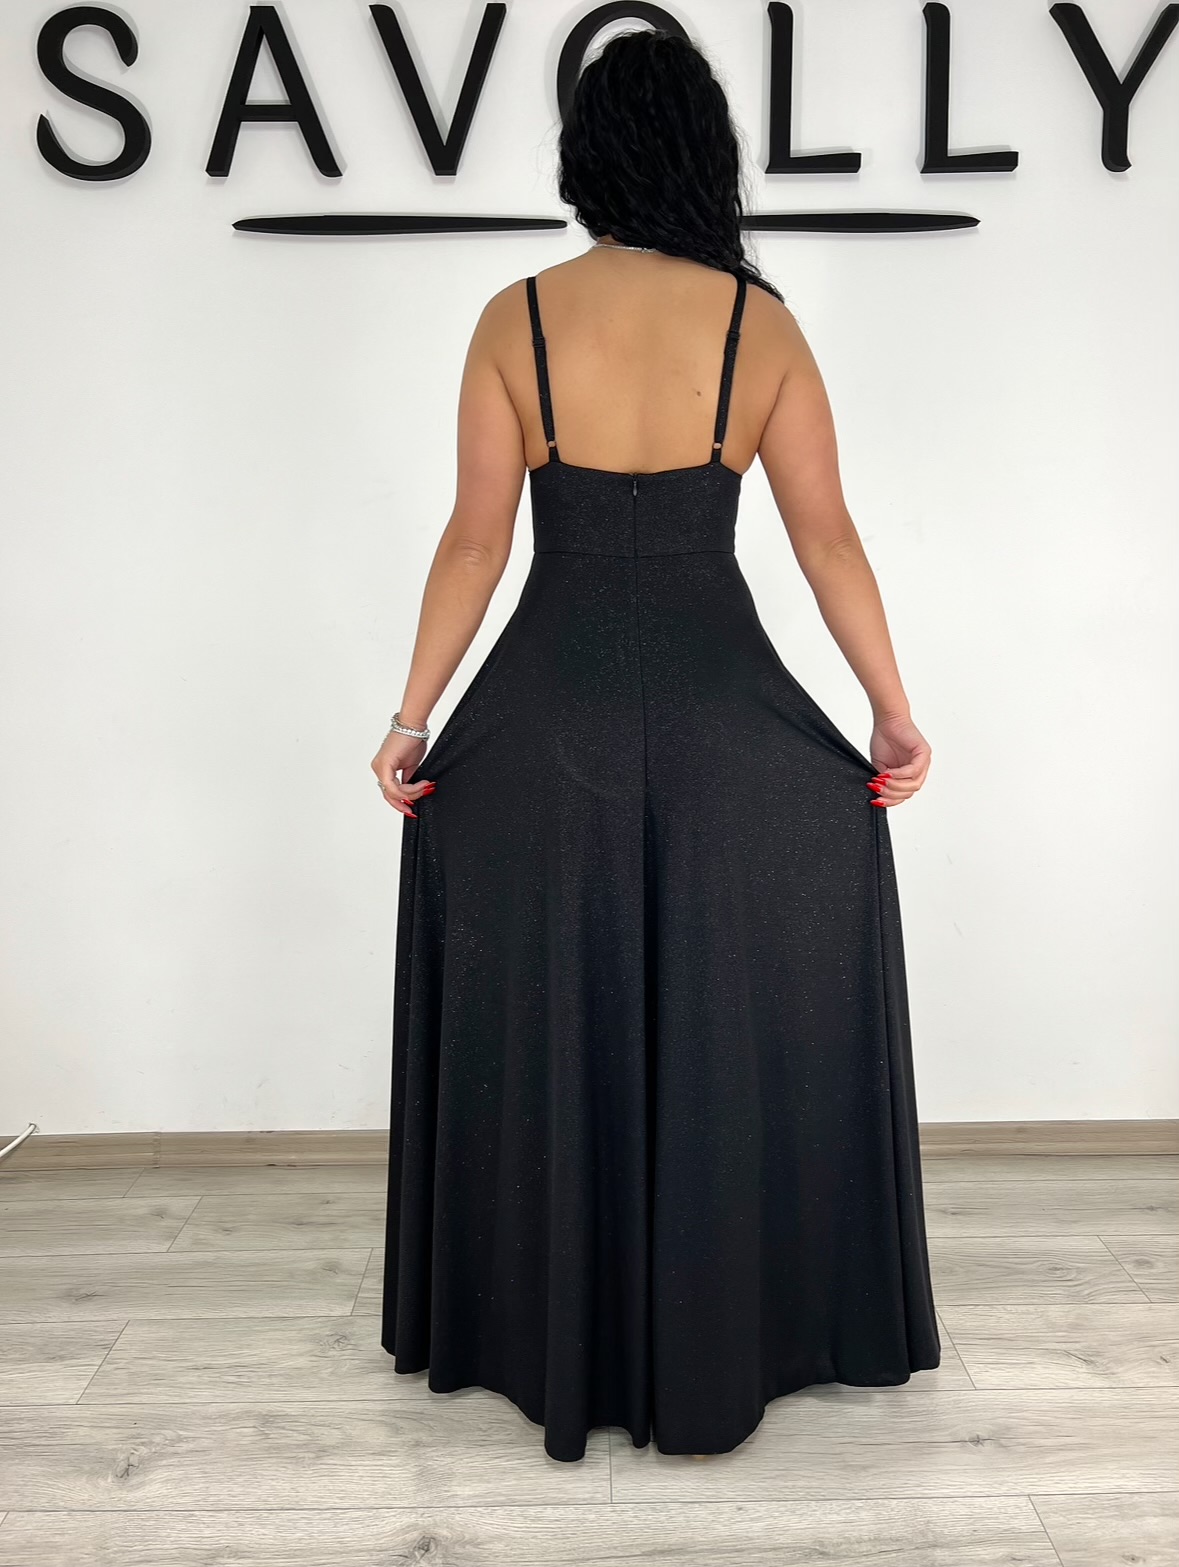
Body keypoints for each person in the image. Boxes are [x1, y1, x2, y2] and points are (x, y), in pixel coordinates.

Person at [373, 27, 939, 1464]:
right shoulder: (761, 325)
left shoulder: (515, 317)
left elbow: (476, 541)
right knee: (723, 1007)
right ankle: (729, 1323)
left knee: (553, 1009)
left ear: (584, 157)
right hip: (720, 710)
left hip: (545, 712)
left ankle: (550, 1327)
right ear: (704, 152)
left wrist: (413, 718)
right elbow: (825, 538)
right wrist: (888, 708)